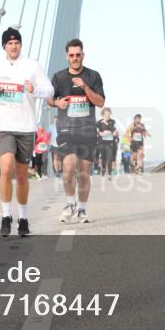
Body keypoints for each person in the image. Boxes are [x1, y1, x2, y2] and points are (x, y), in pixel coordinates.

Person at [0, 27, 54, 237]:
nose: (14, 46)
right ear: (4, 46)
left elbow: (49, 90)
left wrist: (35, 90)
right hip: (3, 126)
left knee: (22, 175)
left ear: (21, 44)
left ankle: (23, 218)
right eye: (10, 43)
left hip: (26, 127)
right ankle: (6, 216)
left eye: (17, 43)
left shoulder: (33, 66)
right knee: (5, 169)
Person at [48, 39, 105, 224]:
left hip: (87, 130)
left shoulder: (93, 76)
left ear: (83, 55)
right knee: (68, 167)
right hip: (66, 130)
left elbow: (100, 102)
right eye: (71, 55)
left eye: (78, 55)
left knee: (84, 173)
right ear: (67, 56)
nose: (75, 58)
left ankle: (82, 209)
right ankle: (70, 203)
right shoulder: (58, 77)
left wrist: (85, 87)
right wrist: (57, 103)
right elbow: (49, 99)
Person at [96, 108, 118, 180]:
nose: (108, 115)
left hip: (110, 142)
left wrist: (107, 124)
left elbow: (113, 129)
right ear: (103, 114)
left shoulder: (112, 121)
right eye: (106, 114)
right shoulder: (99, 122)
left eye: (109, 114)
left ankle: (109, 173)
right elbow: (94, 130)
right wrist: (99, 133)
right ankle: (103, 168)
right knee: (103, 157)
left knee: (110, 157)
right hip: (101, 142)